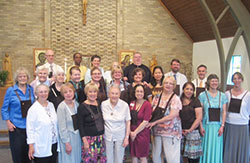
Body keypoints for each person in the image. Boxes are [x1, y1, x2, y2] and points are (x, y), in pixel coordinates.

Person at [1, 67, 35, 163]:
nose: (22, 78)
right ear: (16, 78)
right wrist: (8, 122)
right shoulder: (11, 91)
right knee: (18, 154)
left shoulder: (30, 89)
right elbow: (4, 109)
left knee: (29, 154)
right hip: (16, 126)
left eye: (24, 76)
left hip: (29, 126)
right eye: (20, 76)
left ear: (27, 78)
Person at [147, 76, 182, 163]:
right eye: (166, 83)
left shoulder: (175, 99)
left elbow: (171, 116)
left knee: (171, 157)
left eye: (171, 83)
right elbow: (152, 110)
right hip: (157, 131)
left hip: (170, 132)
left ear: (174, 86)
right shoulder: (157, 97)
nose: (168, 85)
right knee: (156, 156)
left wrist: (155, 122)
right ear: (163, 84)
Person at [198, 74, 227, 163]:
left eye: (216, 81)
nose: (214, 83)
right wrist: (200, 126)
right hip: (206, 126)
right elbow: (200, 112)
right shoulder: (202, 95)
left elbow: (224, 111)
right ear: (208, 82)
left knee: (216, 147)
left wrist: (222, 126)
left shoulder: (222, 96)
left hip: (217, 127)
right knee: (206, 147)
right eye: (212, 81)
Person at [26, 84, 58, 163]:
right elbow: (30, 129)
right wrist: (31, 146)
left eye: (45, 91)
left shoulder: (51, 105)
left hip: (53, 143)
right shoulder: (33, 109)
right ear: (36, 94)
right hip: (41, 145)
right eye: (41, 92)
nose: (43, 94)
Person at [223, 72, 250, 163]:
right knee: (229, 147)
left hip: (242, 125)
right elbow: (224, 109)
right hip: (229, 124)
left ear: (242, 80)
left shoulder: (248, 95)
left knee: (240, 148)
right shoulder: (227, 93)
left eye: (238, 78)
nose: (237, 80)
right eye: (234, 78)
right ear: (232, 80)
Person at [77, 83, 106, 162]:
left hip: (101, 138)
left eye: (94, 91)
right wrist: (85, 141)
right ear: (86, 93)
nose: (93, 94)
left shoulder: (100, 104)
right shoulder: (82, 107)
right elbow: (80, 125)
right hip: (89, 140)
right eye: (90, 92)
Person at [101, 85, 131, 163]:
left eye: (116, 93)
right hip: (108, 134)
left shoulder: (124, 105)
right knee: (108, 158)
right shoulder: (103, 104)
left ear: (119, 94)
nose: (114, 96)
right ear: (109, 94)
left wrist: (127, 137)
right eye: (112, 93)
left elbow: (128, 122)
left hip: (120, 134)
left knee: (119, 158)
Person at [57, 83, 81, 163]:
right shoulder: (61, 107)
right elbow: (62, 127)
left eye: (70, 91)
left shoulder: (76, 104)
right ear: (62, 94)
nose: (68, 94)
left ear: (74, 92)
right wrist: (66, 143)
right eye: (65, 92)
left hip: (77, 138)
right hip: (68, 139)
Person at [179, 82, 202, 163]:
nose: (189, 91)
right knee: (182, 156)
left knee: (193, 159)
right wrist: (180, 129)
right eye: (187, 89)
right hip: (180, 132)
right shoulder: (179, 100)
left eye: (191, 89)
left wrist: (190, 130)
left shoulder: (196, 101)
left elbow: (199, 117)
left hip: (193, 132)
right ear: (183, 90)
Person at [129, 84, 152, 163]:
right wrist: (130, 133)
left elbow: (145, 121)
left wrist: (135, 133)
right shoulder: (132, 103)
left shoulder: (147, 104)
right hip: (132, 133)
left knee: (142, 157)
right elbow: (128, 119)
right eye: (137, 91)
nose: (139, 93)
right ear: (134, 92)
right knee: (133, 155)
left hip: (142, 133)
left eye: (141, 91)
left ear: (144, 93)